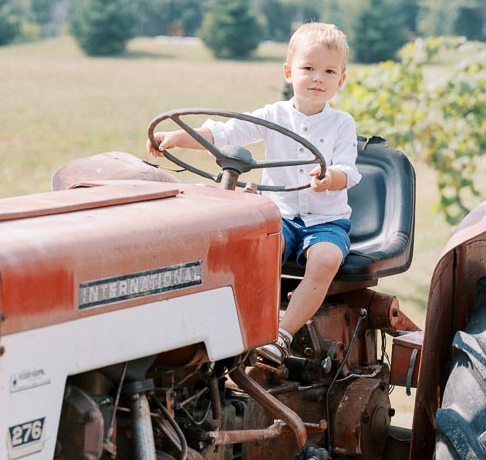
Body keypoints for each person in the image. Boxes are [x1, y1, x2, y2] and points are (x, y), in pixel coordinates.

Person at [148, 22, 360, 363]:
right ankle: (239, 327)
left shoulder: (342, 124)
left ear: (341, 80)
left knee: (325, 259)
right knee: (253, 249)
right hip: (283, 216)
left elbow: (349, 171)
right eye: (308, 68)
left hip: (326, 221)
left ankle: (282, 335)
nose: (318, 78)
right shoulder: (273, 116)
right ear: (289, 72)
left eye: (329, 71)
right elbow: (225, 133)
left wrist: (329, 177)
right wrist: (177, 138)